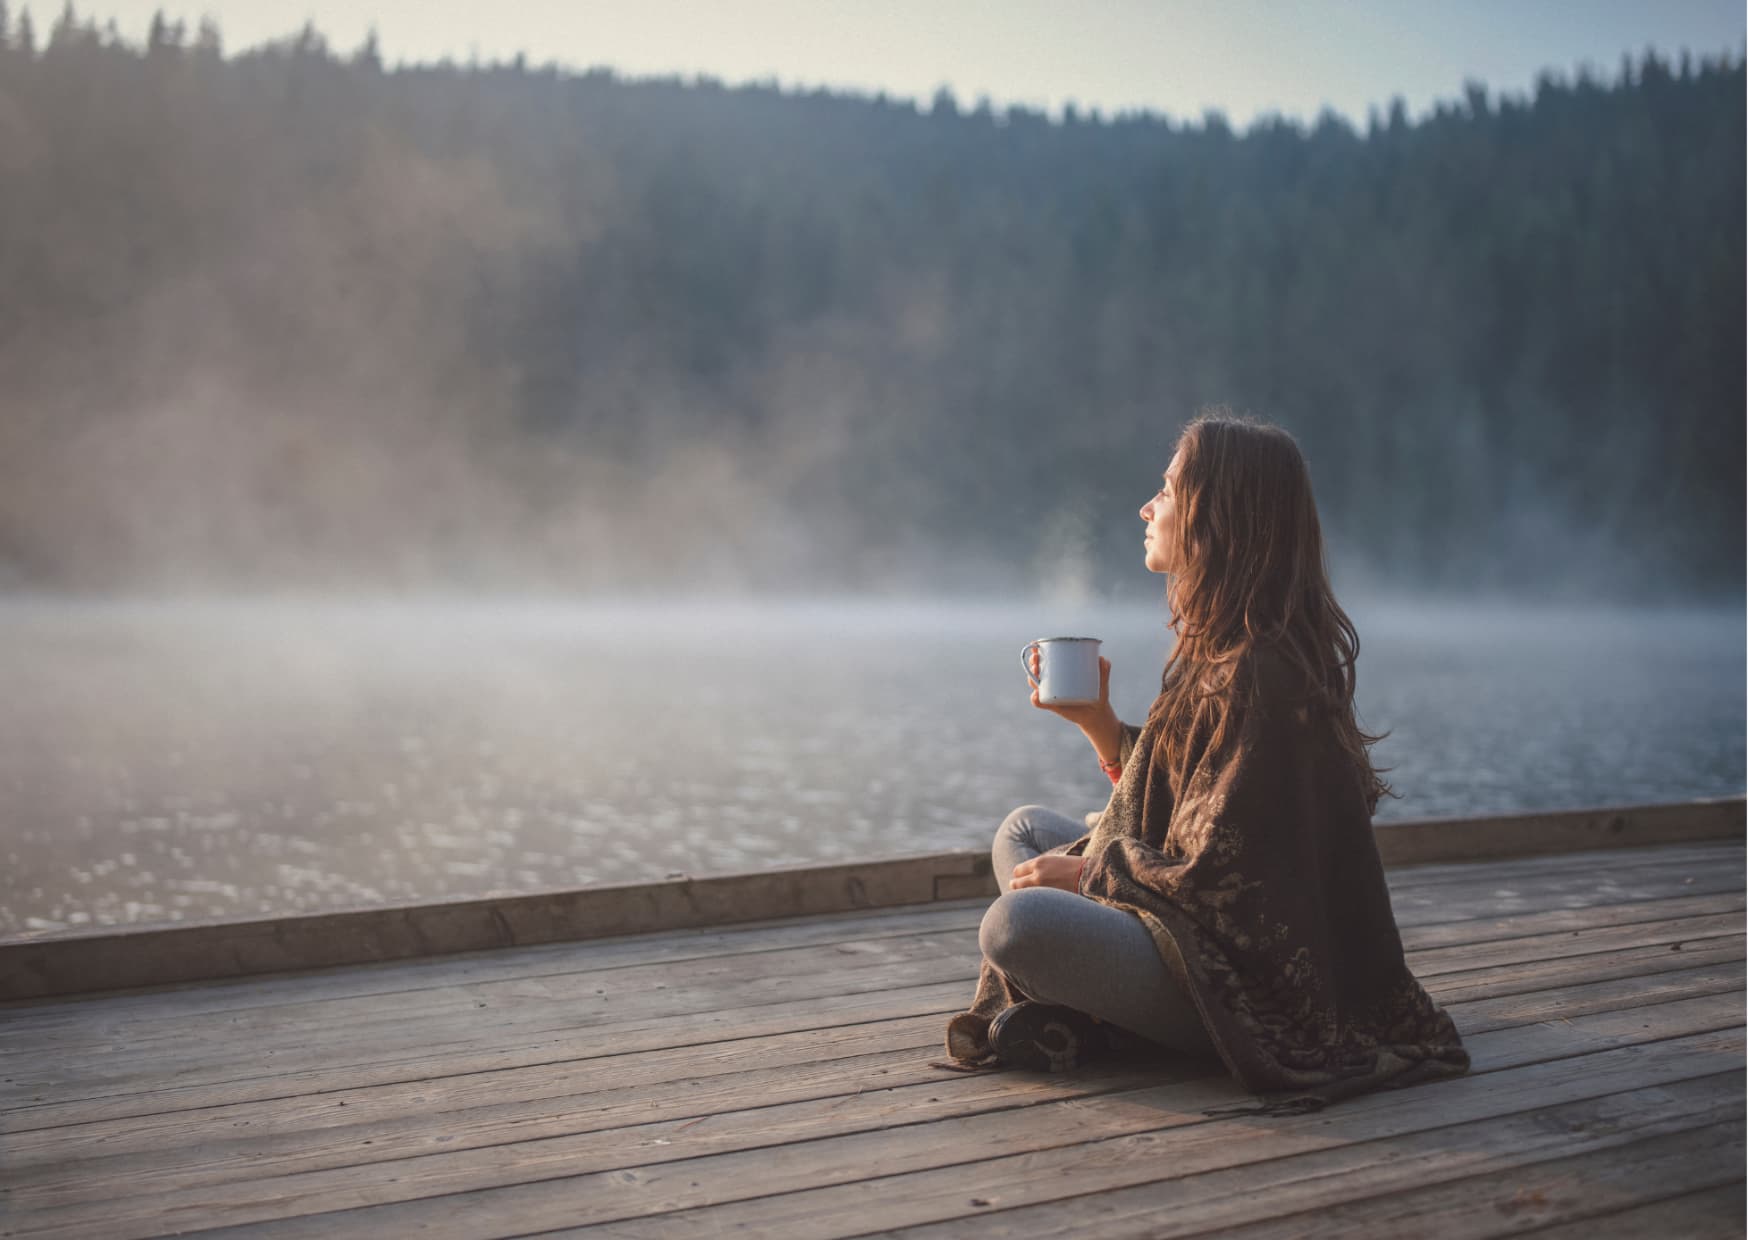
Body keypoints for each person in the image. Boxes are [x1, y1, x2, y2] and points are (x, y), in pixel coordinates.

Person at [939, 409, 1470, 1113]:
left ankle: (1108, 1020)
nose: (1146, 506)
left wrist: (1093, 873)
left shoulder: (1263, 672)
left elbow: (1228, 880)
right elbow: (1181, 807)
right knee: (1025, 832)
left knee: (1017, 926)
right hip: (1189, 928)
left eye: (1166, 489)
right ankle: (1085, 1009)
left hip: (1248, 986)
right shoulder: (1221, 649)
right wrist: (1099, 724)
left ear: (1218, 514)